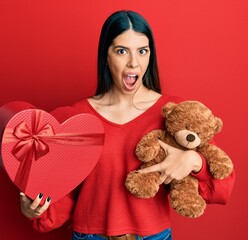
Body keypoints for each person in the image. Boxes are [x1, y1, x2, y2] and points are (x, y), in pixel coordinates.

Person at [20, 10, 235, 240]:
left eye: (142, 51)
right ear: (106, 55)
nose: (134, 63)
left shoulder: (176, 113)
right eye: (122, 51)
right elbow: (59, 201)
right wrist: (33, 209)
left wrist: (194, 161)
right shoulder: (77, 116)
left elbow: (222, 186)